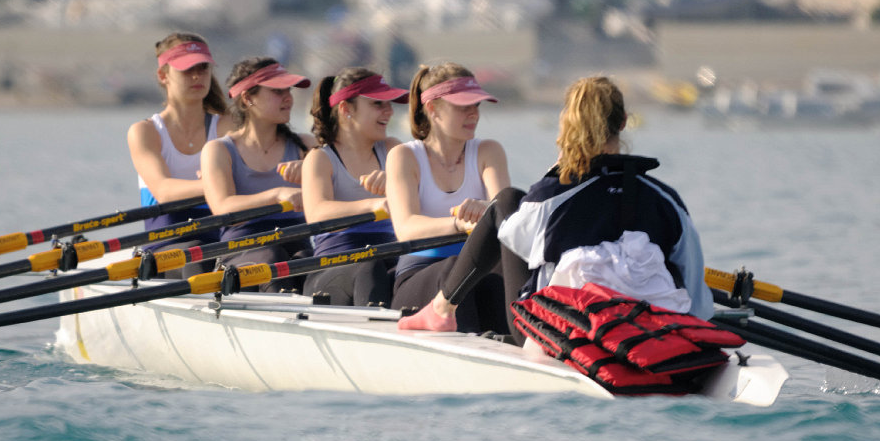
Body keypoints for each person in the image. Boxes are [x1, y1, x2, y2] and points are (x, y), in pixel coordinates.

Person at [397, 75, 714, 343]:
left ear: (567, 125)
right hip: (653, 331)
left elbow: (515, 244)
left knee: (505, 202)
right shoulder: (667, 201)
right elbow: (697, 300)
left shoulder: (551, 195)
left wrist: (553, 175)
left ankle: (441, 309)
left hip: (560, 332)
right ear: (623, 122)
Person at [385, 62, 512, 334]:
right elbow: (405, 228)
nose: (474, 113)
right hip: (419, 274)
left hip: (476, 274)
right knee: (455, 269)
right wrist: (458, 224)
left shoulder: (489, 152)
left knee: (499, 278)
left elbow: (505, 212)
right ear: (432, 108)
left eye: (476, 105)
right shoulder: (404, 156)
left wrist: (487, 209)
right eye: (463, 106)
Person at [200, 57, 316, 292]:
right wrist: (276, 195)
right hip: (240, 249)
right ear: (248, 98)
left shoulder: (306, 146)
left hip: (296, 244)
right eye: (277, 91)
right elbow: (222, 206)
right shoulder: (219, 150)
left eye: (289, 90)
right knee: (272, 256)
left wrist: (315, 173)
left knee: (307, 261)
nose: (288, 98)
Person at [127, 32, 233, 277]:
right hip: (166, 242)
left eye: (203, 68)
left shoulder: (228, 126)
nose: (197, 76)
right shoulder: (145, 131)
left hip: (218, 236)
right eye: (187, 69)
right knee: (197, 257)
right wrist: (217, 183)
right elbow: (163, 191)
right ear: (163, 75)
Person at [300, 68, 409, 306]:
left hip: (388, 257)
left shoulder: (393, 149)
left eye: (389, 103)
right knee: (370, 266)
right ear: (346, 109)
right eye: (378, 104)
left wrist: (396, 183)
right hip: (332, 267)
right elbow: (316, 213)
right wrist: (373, 205)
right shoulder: (320, 158)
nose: (389, 111)